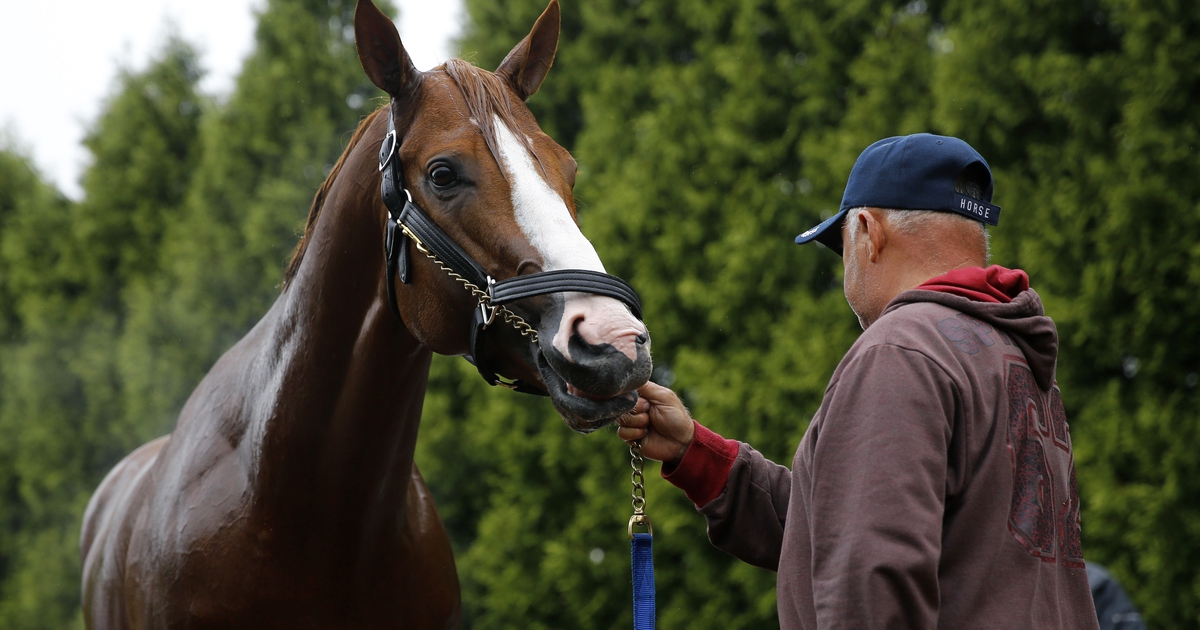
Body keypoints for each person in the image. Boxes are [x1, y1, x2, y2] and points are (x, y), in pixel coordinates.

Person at [617, 134, 1101, 629]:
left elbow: (869, 571)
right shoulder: (1010, 356)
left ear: (868, 232)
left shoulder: (901, 350)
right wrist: (694, 453)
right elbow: (837, 526)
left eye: (840, 244)